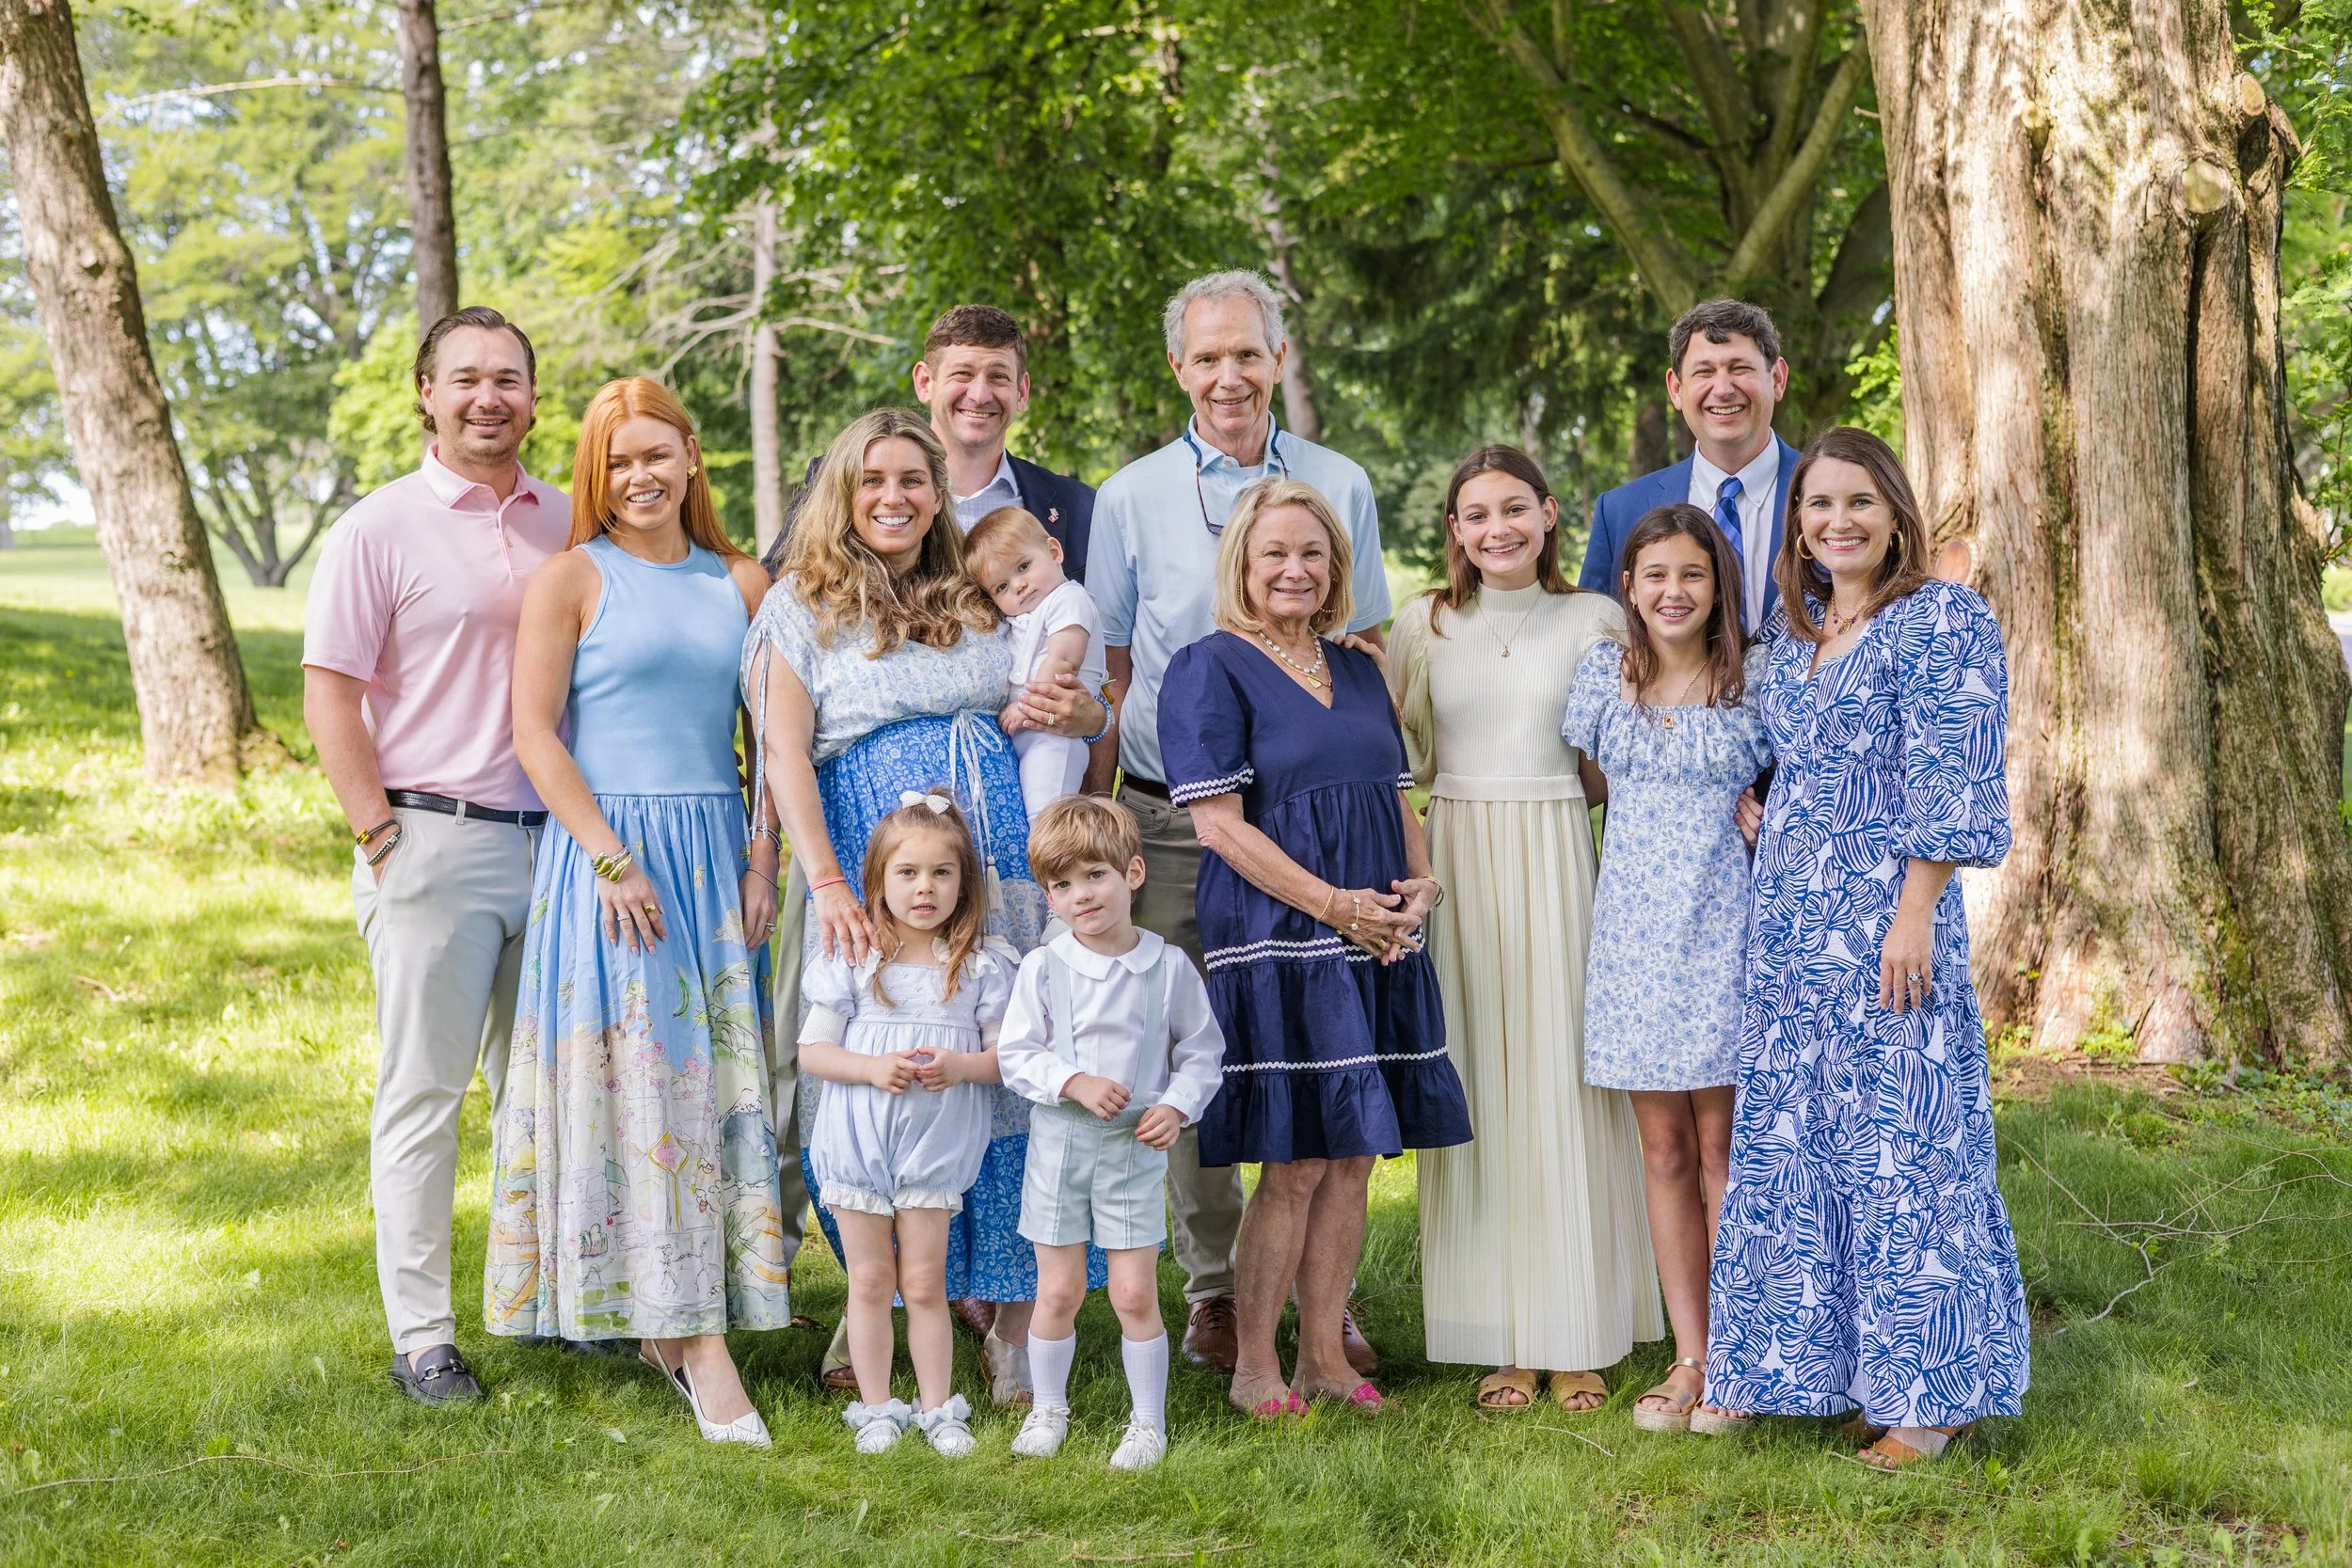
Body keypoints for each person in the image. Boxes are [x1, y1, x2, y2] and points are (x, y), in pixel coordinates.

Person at [741, 408, 1111, 1407]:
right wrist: (825, 883)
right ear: (841, 491)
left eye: (914, 478)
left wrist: (1083, 711)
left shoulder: (975, 593)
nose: (895, 496)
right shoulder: (797, 606)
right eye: (874, 479)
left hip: (995, 868)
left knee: (997, 1073)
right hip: (872, 866)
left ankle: (1002, 1317)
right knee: (873, 1079)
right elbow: (782, 756)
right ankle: (880, 1310)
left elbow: (1079, 702)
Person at [1702, 427, 2027, 1469]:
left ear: (1894, 513)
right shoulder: (1794, 638)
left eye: (1857, 503)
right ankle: (1864, 1374)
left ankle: (1932, 1399)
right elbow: (1779, 755)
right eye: (1816, 505)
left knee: (1909, 1151)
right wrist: (1765, 805)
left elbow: (1953, 774)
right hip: (1791, 935)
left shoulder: (1938, 620)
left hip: (1886, 926)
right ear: (1795, 524)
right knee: (1813, 1151)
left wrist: (1913, 911)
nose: (1835, 521)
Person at [1087, 269, 1392, 1374]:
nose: (1228, 374)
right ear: (1178, 367)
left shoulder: (1337, 482)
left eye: (1246, 354)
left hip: (1321, 825)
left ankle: (1326, 1304)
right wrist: (1108, 817)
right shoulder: (1129, 497)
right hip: (1179, 819)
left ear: (1275, 358)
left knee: (1318, 1057)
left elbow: (1359, 650)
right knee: (1197, 1048)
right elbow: (1116, 670)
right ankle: (1215, 1285)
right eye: (1206, 356)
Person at [481, 377, 788, 1443]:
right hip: (612, 866)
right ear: (594, 476)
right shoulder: (572, 576)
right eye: (617, 461)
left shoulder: (740, 581)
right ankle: (696, 1344)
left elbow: (770, 743)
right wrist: (614, 861)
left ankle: (686, 1312)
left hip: (716, 862)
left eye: (657, 453)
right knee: (644, 1083)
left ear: (693, 457)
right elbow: (534, 733)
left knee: (713, 1088)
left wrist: (764, 860)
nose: (640, 476)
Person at [1158, 477, 1470, 1418]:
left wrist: (1420, 885)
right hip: (1280, 930)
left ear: (1336, 565)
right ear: (1242, 567)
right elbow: (1218, 827)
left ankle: (1324, 1357)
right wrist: (1335, 904)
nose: (1294, 569)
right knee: (1294, 1156)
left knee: (1354, 1154)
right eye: (1274, 554)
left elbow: (1392, 792)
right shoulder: (1206, 666)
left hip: (1377, 928)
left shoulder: (1363, 664)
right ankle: (1256, 1359)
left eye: (1312, 553)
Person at [303, 307, 568, 1406]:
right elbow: (331, 690)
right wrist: (379, 832)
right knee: (425, 1093)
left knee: (542, 1093)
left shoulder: (568, 517)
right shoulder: (380, 526)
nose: (487, 397)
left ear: (533, 398)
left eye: (507, 378)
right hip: (433, 838)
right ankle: (424, 1336)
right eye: (465, 378)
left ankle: (548, 1303)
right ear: (426, 392)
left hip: (555, 847)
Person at [1386, 447, 1661, 1417]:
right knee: (1482, 1088)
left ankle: (1576, 1330)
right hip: (1458, 864)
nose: (1495, 527)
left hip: (1557, 856)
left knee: (1563, 1085)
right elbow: (1401, 759)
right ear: (1453, 528)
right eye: (1474, 513)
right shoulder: (1422, 624)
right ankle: (1499, 1331)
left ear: (1549, 516)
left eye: (1514, 508)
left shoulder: (1595, 619)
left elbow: (1614, 760)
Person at [1561, 502, 1772, 1433]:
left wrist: (1767, 813)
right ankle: (1687, 1355)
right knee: (1662, 1151)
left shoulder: (1752, 676)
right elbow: (1584, 787)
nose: (1672, 591)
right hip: (1633, 939)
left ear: (1716, 583)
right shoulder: (1603, 676)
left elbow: (1791, 780)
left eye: (1691, 573)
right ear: (1630, 587)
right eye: (1654, 575)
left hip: (1723, 925)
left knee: (1724, 1154)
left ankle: (1738, 1356)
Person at [997, 797, 1225, 1470]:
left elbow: (1202, 1051)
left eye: (1093, 875)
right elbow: (1017, 1052)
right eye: (1061, 885)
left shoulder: (1166, 966)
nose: (1080, 895)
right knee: (1059, 1290)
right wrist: (1072, 1080)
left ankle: (1147, 1422)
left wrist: (1178, 1106)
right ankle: (1048, 1407)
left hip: (1133, 1148)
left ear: (1133, 872)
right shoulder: (1045, 966)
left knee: (1132, 1291)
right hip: (1060, 1147)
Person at [800, 795, 1014, 1457]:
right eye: (908, 873)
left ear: (965, 882)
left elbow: (1006, 1059)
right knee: (869, 1280)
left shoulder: (977, 964)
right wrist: (870, 1069)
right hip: (858, 1143)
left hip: (934, 1148)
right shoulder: (855, 958)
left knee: (924, 1280)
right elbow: (812, 1052)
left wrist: (962, 1065)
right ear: (878, 882)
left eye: (942, 873)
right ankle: (875, 1407)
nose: (925, 887)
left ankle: (937, 1407)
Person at [1581, 299, 1801, 634]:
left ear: (1777, 379)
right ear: (1676, 389)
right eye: (1704, 372)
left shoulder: (1827, 493)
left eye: (1740, 368)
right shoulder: (1620, 512)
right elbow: (1597, 642)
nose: (1723, 389)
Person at [910, 303, 1094, 577]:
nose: (980, 395)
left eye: (998, 377)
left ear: (1021, 391)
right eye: (963, 374)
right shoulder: (864, 495)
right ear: (925, 382)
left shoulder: (1081, 507)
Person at [964, 506, 1107, 820]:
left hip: (1055, 736)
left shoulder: (1068, 599)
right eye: (1001, 587)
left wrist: (1025, 706)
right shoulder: (1021, 618)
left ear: (1053, 551)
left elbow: (1063, 663)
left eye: (1024, 566)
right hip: (1028, 734)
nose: (1018, 585)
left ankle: (1052, 868)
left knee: (1046, 818)